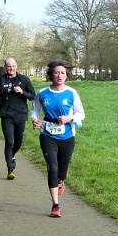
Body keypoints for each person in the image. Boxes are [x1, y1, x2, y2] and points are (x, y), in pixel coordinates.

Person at [31, 59, 85, 218]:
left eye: (62, 73)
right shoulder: (42, 93)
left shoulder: (71, 93)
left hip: (67, 135)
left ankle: (61, 180)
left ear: (66, 75)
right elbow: (35, 111)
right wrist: (35, 120)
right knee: (52, 169)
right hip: (47, 134)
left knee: (62, 172)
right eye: (56, 73)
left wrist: (69, 119)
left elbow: (81, 114)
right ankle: (55, 205)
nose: (59, 76)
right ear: (51, 75)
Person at [0, 58, 36, 180]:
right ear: (5, 67)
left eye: (13, 66)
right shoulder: (0, 79)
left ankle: (12, 155)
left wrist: (22, 92)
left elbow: (32, 95)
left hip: (20, 114)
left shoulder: (24, 79)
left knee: (18, 143)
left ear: (16, 66)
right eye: (8, 66)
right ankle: (10, 169)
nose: (11, 68)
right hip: (6, 114)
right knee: (9, 141)